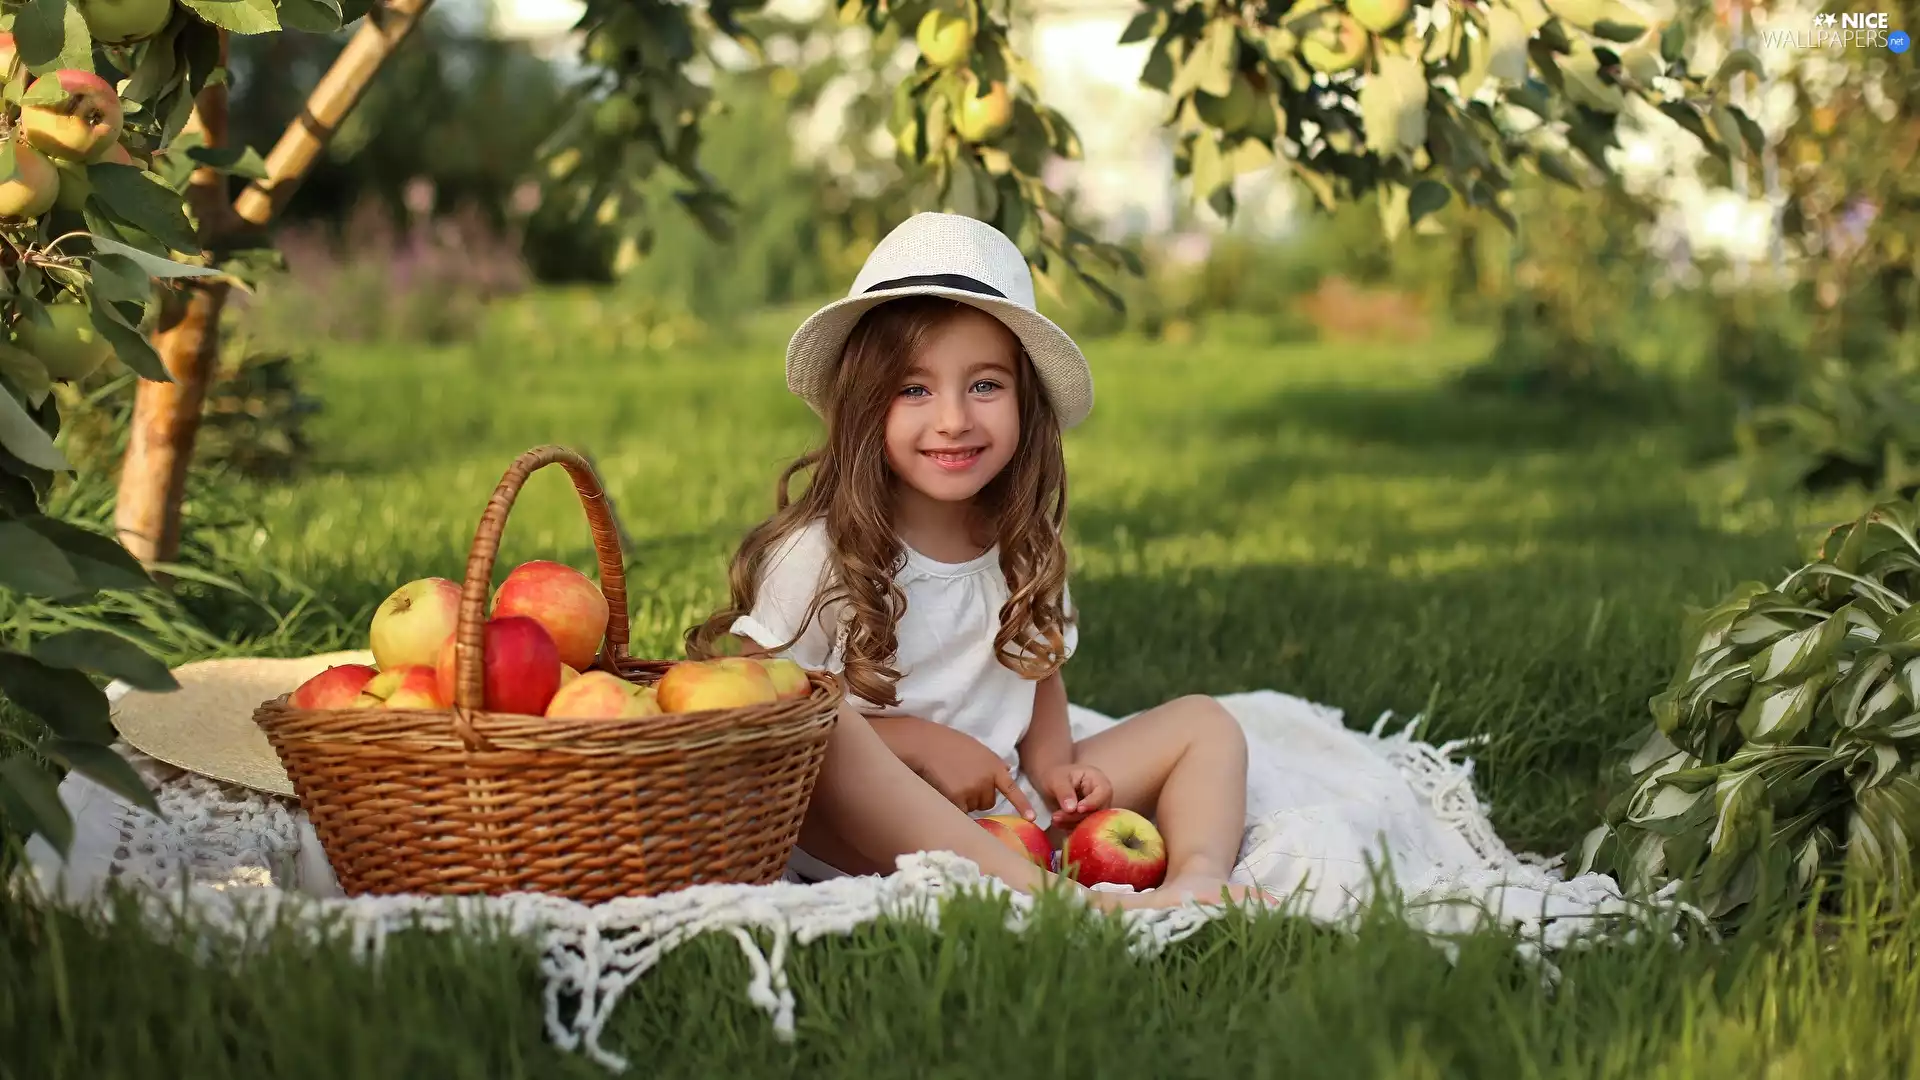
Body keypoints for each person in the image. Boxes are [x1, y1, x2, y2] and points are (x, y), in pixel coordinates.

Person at [687, 212, 1266, 910]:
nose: (955, 419)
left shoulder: (1024, 544)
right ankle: (1067, 904)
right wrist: (919, 742)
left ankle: (1197, 880)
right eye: (914, 389)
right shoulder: (818, 552)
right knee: (825, 719)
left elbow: (1038, 672)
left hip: (1003, 810)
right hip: (860, 833)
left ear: (1027, 403)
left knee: (1206, 723)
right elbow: (754, 702)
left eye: (985, 385)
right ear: (867, 407)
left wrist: (1056, 770)